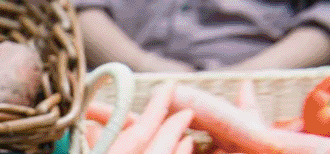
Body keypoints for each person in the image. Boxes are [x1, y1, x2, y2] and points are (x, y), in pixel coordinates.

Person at [75, 0, 330, 72]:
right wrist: (143, 65)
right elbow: (73, 8)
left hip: (270, 95)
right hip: (121, 87)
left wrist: (250, 75)